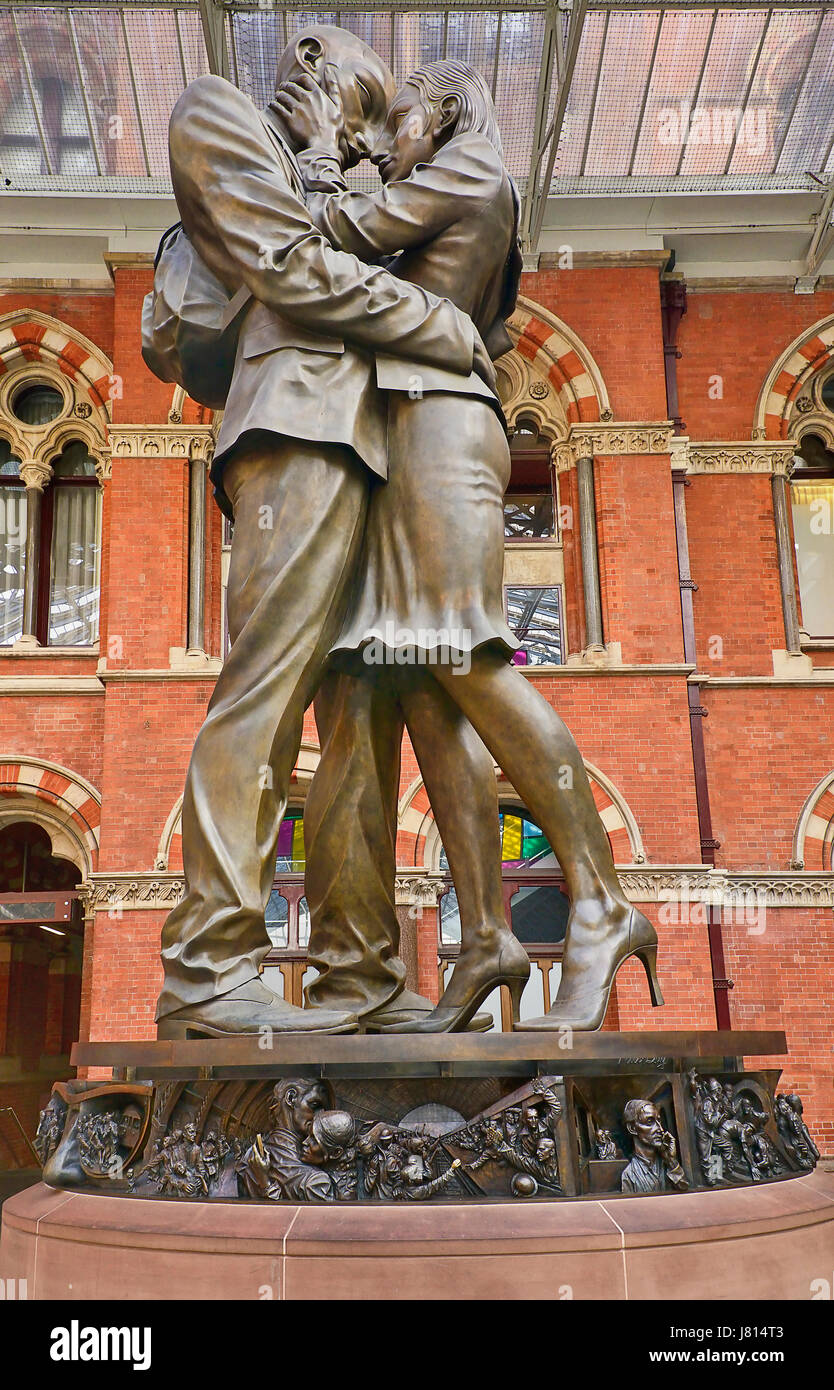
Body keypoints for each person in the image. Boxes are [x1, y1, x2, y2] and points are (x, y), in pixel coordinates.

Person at [283, 58, 661, 1032]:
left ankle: (604, 902)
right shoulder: (455, 181)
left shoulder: (471, 166)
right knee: (423, 682)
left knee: (467, 655)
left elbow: (337, 236)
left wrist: (323, 154)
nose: (391, 139)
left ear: (441, 109)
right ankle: (489, 934)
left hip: (444, 424)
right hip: (408, 429)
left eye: (401, 118)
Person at [151, 27, 497, 1039]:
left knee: (364, 719)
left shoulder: (336, 184)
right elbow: (292, 272)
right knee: (264, 687)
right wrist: (442, 328)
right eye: (370, 115)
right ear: (321, 76)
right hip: (290, 430)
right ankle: (208, 961)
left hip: (369, 451)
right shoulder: (219, 115)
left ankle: (362, 974)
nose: (381, 148)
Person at [620, 1100, 688, 1194]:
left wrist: (671, 1160)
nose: (660, 1129)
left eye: (659, 1121)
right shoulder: (629, 1175)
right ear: (632, 1128)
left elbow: (684, 1190)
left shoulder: (667, 1166)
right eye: (650, 1121)